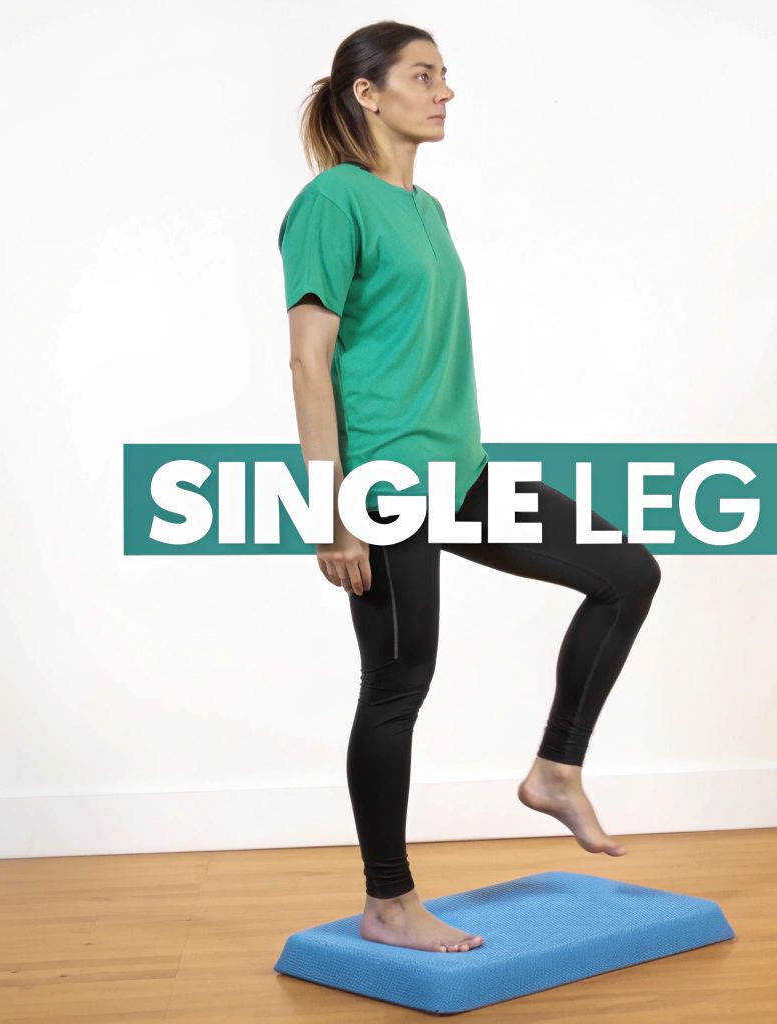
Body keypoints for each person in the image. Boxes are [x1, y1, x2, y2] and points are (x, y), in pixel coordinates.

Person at [278, 21, 663, 955]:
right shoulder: (333, 202)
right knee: (399, 685)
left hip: (462, 471)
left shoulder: (428, 210)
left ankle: (555, 772)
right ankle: (388, 901)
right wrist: (333, 514)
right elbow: (307, 358)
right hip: (384, 485)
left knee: (626, 573)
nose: (445, 91)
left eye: (446, 76)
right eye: (423, 76)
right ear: (367, 93)